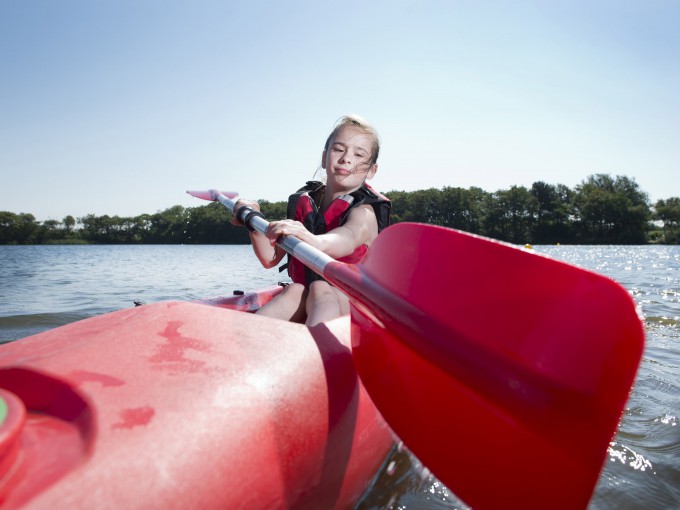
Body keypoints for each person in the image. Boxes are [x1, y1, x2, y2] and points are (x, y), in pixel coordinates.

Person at [232, 115, 391, 326]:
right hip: (310, 296)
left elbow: (344, 239)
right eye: (339, 149)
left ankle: (319, 350)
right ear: (325, 157)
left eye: (359, 154)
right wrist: (253, 221)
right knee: (297, 289)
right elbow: (270, 258)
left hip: (354, 304)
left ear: (371, 170)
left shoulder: (364, 214)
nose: (346, 158)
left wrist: (309, 238)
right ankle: (244, 340)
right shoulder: (306, 203)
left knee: (321, 289)